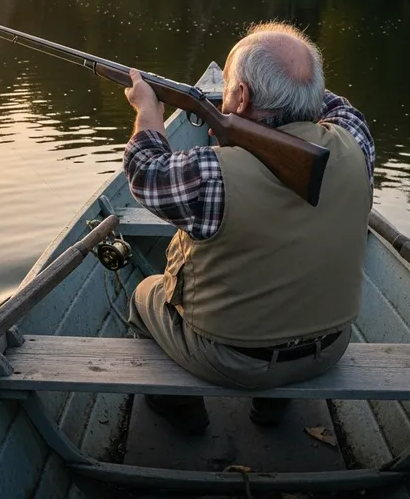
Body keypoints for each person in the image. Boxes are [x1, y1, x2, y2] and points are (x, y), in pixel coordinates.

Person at [123, 22, 375, 432]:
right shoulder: (356, 142)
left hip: (228, 359)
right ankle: (271, 411)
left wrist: (148, 108)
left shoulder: (210, 173)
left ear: (240, 97)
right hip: (329, 348)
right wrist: (289, 84)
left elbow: (143, 170)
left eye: (229, 87)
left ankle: (183, 414)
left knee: (142, 294)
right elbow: (337, 104)